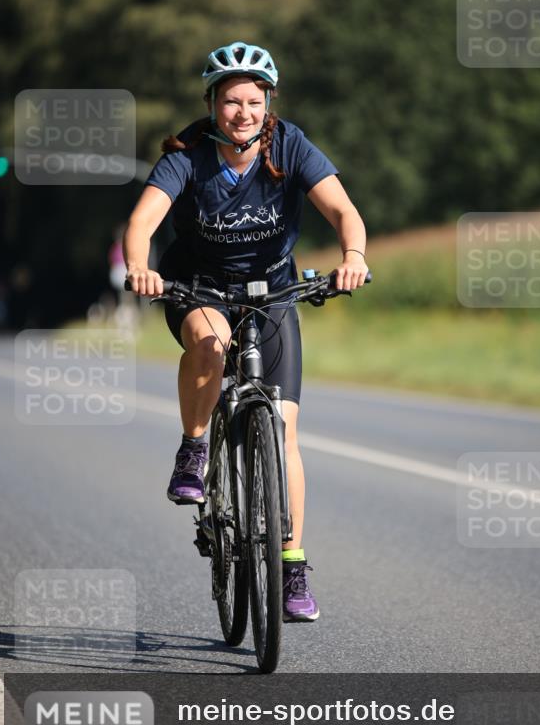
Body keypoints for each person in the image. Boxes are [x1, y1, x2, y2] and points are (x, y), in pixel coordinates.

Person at [123, 41, 368, 623]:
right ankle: (194, 449)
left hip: (272, 290)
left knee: (283, 432)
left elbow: (343, 211)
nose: (243, 112)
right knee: (210, 343)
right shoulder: (187, 154)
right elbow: (142, 221)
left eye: (253, 101)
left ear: (268, 103)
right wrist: (140, 266)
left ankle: (292, 567)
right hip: (199, 287)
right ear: (212, 104)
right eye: (231, 101)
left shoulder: (290, 145)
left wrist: (353, 254)